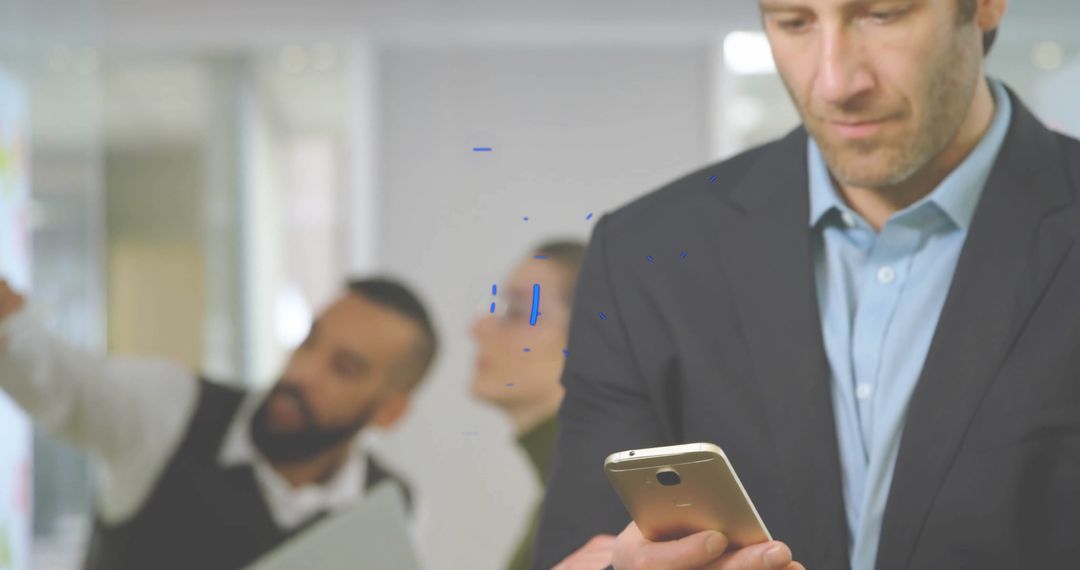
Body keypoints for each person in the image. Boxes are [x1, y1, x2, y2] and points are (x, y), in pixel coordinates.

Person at [534, 0, 1080, 568]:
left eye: (884, 15)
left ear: (987, 7)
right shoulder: (645, 254)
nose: (836, 82)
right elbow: (578, 549)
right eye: (794, 22)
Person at [0, 277, 438, 570]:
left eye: (344, 368)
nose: (302, 372)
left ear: (388, 411)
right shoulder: (172, 410)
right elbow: (58, 380)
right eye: (309, 341)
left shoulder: (390, 507)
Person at [469, 240, 615, 570]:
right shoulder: (563, 491)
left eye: (518, 311)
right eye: (493, 306)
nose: (478, 328)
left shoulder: (595, 506)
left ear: (588, 341)